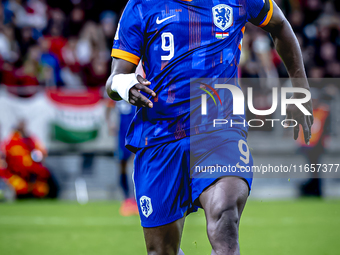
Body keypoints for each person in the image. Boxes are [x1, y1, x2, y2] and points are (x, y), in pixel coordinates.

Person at [106, 0, 314, 254]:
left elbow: (280, 25)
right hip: (159, 136)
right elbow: (115, 78)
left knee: (224, 215)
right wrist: (125, 86)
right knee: (161, 251)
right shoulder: (140, 6)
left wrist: (300, 88)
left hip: (219, 128)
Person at [106, 100, 139, 216]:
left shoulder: (138, 87)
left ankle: (135, 198)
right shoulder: (118, 89)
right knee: (122, 165)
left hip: (135, 131)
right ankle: (126, 199)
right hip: (122, 133)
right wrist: (110, 124)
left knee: (135, 164)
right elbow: (109, 106)